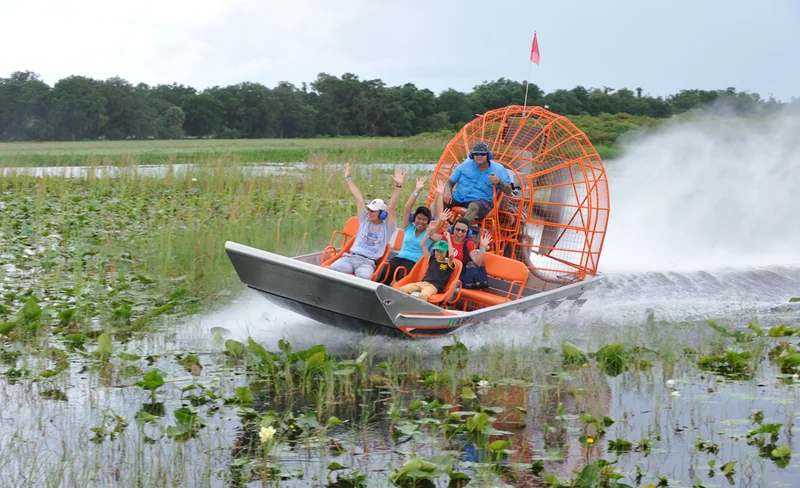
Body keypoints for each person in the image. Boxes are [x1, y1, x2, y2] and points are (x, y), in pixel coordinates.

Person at [327, 163, 403, 280]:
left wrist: (398, 186)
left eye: (373, 211)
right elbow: (358, 197)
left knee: (364, 280)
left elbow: (392, 207)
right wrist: (348, 178)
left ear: (382, 214)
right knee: (330, 271)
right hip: (350, 258)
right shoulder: (364, 219)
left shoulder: (387, 228)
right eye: (368, 209)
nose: (369, 212)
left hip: (367, 263)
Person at [380, 178, 447, 283]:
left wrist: (440, 195)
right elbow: (407, 208)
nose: (421, 222)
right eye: (418, 218)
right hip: (400, 258)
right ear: (414, 218)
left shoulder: (430, 232)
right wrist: (417, 190)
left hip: (415, 263)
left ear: (428, 221)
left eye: (424, 220)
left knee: (402, 276)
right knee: (385, 270)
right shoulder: (409, 227)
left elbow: (439, 215)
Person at [443, 141, 513, 223]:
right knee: (439, 199)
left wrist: (499, 182)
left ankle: (463, 230)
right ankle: (431, 227)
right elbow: (450, 182)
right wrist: (447, 191)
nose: (479, 156)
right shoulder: (466, 164)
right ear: (472, 155)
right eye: (476, 154)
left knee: (473, 206)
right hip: (460, 197)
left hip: (482, 203)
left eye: (482, 154)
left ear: (488, 155)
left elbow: (509, 190)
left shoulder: (498, 169)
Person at [398, 224, 456, 301]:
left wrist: (448, 238)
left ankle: (418, 311)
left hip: (433, 287)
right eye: (437, 251)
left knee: (423, 295)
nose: (438, 253)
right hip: (422, 283)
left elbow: (451, 255)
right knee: (403, 289)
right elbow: (422, 245)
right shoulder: (431, 259)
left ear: (446, 252)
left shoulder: (448, 263)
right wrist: (429, 231)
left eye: (441, 252)